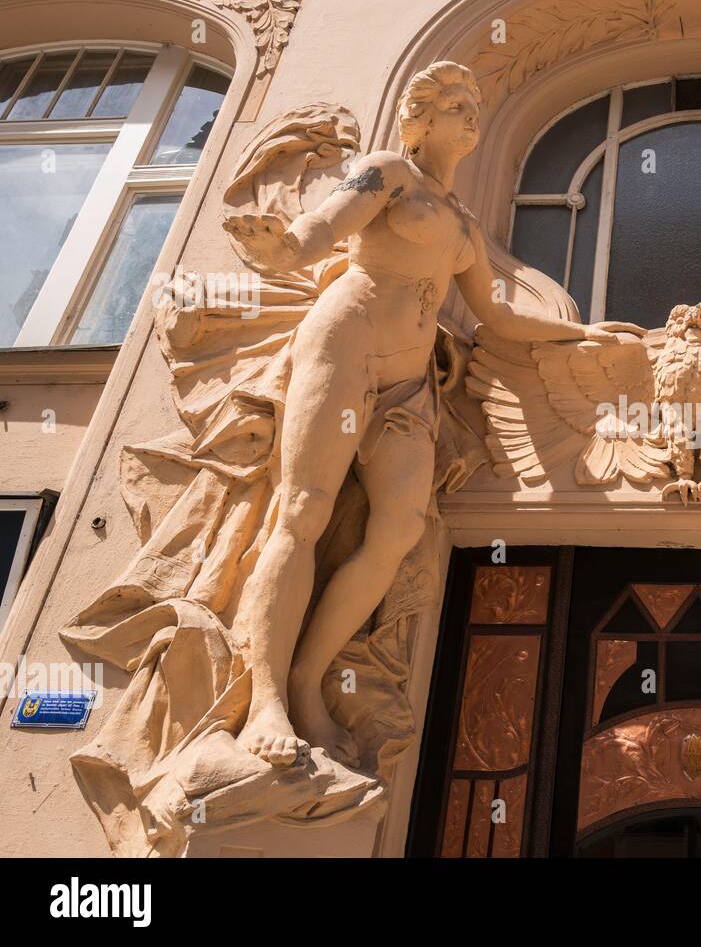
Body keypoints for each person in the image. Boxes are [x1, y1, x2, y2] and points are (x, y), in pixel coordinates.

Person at [224, 61, 629, 766]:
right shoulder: (387, 173)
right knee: (305, 511)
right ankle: (264, 699)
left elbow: (497, 317)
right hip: (345, 342)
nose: (471, 115)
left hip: (409, 385)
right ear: (421, 116)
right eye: (455, 103)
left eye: (475, 104)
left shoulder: (466, 225)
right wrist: (284, 247)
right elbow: (322, 227)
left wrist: (581, 333)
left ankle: (306, 679)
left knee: (400, 528)